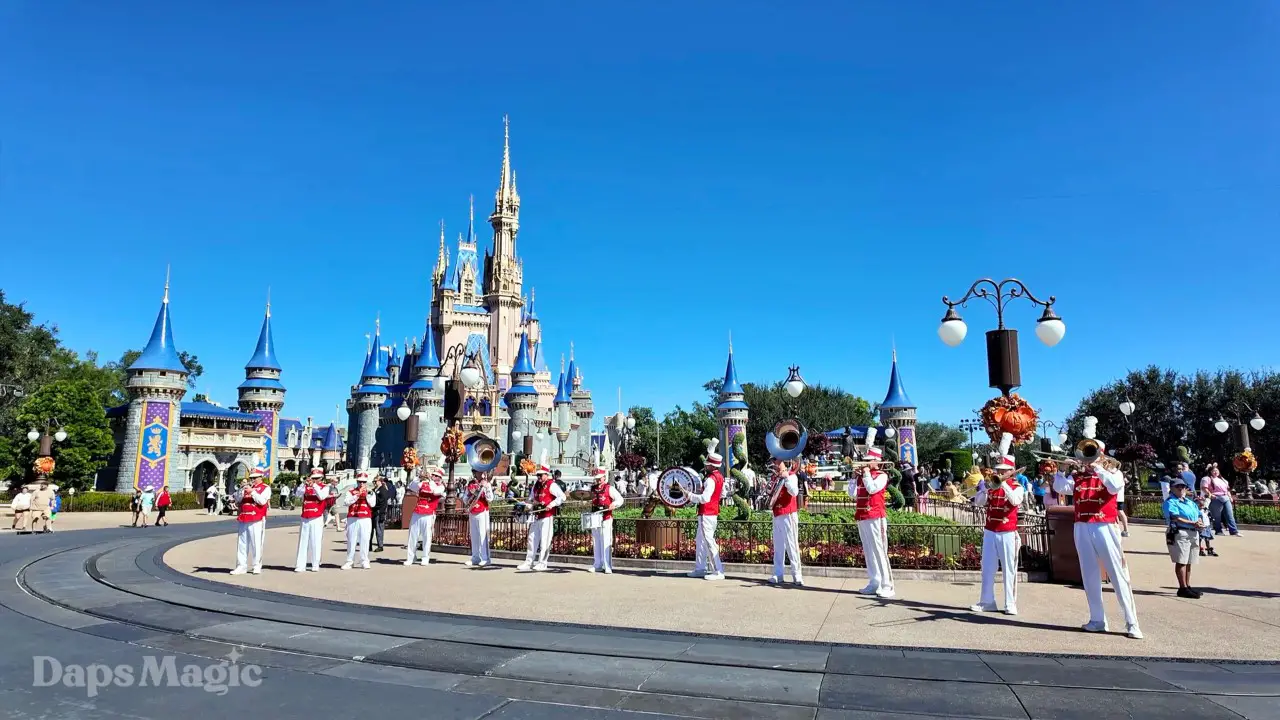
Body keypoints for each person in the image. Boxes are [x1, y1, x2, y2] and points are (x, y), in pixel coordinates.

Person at [1053, 448, 1142, 639]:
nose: (1087, 461)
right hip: (1082, 526)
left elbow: (1115, 486)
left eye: (1092, 456)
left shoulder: (1112, 473)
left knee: (1118, 573)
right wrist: (1061, 470)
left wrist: (1099, 468)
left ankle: (1132, 622)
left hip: (1105, 525)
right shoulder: (1078, 477)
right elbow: (1060, 488)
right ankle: (1097, 619)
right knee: (1089, 574)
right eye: (1086, 457)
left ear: (1102, 457)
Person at [971, 454, 1025, 615]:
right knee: (987, 568)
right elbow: (979, 503)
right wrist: (982, 490)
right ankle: (987, 601)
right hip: (990, 530)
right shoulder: (992, 486)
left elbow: (1015, 501)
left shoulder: (1017, 486)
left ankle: (1010, 603)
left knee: (1009, 569)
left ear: (1011, 471)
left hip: (1008, 532)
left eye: (1003, 470)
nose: (999, 473)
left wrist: (1003, 484)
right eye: (998, 470)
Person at [848, 442, 892, 598]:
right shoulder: (862, 476)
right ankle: (874, 582)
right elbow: (851, 494)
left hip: (875, 516)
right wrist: (854, 478)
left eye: (868, 461)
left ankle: (887, 585)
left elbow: (872, 489)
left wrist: (865, 474)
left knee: (880, 551)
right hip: (862, 516)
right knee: (868, 551)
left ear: (876, 461)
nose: (865, 463)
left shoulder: (882, 475)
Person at [518, 458, 565, 572]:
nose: (538, 478)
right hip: (536, 516)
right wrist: (527, 505)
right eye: (537, 476)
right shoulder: (536, 486)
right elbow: (531, 499)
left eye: (541, 475)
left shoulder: (551, 485)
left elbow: (562, 497)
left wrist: (552, 504)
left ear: (546, 474)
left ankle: (542, 563)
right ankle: (529, 562)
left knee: (545, 540)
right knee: (531, 539)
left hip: (547, 516)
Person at [686, 448, 726, 580]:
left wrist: (690, 495)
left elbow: (705, 498)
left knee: (708, 542)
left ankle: (718, 571)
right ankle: (700, 568)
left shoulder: (710, 479)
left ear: (711, 465)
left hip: (706, 513)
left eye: (707, 463)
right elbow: (723, 494)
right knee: (701, 541)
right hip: (712, 512)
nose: (705, 465)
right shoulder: (720, 477)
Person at [1162, 478, 1204, 598]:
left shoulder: (1189, 502)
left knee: (1190, 560)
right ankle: (1182, 587)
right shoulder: (1171, 502)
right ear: (1172, 489)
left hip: (1193, 532)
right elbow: (1175, 518)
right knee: (1181, 561)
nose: (1181, 489)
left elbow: (1199, 514)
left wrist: (1199, 522)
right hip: (1179, 532)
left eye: (1183, 486)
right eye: (1177, 487)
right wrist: (1193, 523)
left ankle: (1187, 585)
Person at [767, 457, 804, 587]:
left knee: (792, 545)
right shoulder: (774, 477)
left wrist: (786, 477)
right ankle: (778, 573)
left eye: (776, 462)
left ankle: (797, 574)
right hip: (777, 514)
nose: (774, 465)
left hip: (788, 514)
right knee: (778, 546)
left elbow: (793, 491)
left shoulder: (792, 476)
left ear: (783, 463)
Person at [231, 468, 272, 575]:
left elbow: (262, 501)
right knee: (242, 543)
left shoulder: (265, 488)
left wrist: (252, 492)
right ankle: (241, 566)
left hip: (257, 518)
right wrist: (241, 491)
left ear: (260, 477)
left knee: (256, 543)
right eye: (251, 478)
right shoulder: (247, 487)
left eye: (254, 478)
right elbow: (238, 500)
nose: (252, 480)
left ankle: (256, 566)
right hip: (244, 517)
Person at [404, 466, 445, 567]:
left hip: (429, 513)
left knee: (427, 537)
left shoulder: (440, 486)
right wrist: (419, 476)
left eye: (436, 476)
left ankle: (425, 557)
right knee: (412, 536)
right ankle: (410, 557)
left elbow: (434, 491)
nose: (434, 476)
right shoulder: (424, 483)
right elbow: (412, 486)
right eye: (433, 475)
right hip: (417, 511)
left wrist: (429, 480)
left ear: (440, 478)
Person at [587, 467, 623, 574]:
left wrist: (614, 504)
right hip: (595, 518)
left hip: (606, 517)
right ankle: (597, 563)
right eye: (596, 479)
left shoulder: (609, 488)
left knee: (606, 540)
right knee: (596, 540)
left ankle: (607, 565)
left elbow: (620, 499)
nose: (597, 481)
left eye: (599, 478)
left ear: (604, 478)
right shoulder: (593, 489)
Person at [294, 469, 329, 572]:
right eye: (313, 478)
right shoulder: (306, 487)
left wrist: (314, 486)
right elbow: (297, 494)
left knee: (316, 541)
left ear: (321, 478)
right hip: (305, 516)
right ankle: (300, 565)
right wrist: (303, 484)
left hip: (317, 517)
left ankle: (315, 564)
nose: (313, 480)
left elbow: (322, 496)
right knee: (302, 542)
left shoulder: (324, 487)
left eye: (316, 478)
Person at [339, 473, 376, 569]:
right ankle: (349, 561)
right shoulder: (350, 491)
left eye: (364, 482)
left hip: (365, 518)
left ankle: (365, 560)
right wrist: (357, 496)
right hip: (353, 517)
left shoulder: (370, 492)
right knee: (351, 540)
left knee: (365, 540)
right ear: (357, 482)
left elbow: (372, 504)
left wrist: (367, 494)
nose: (362, 484)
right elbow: (346, 502)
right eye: (360, 482)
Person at [460, 473, 494, 567]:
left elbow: (490, 498)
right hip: (473, 511)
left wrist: (486, 487)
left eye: (478, 471)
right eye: (475, 471)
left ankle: (485, 558)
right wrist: (471, 493)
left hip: (482, 511)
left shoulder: (486, 484)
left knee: (483, 535)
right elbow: (465, 499)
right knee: (474, 535)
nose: (476, 474)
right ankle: (475, 557)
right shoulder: (470, 484)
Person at [1200, 464, 1240, 537]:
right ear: (1210, 472)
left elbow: (1227, 489)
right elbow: (1204, 488)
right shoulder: (1206, 478)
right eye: (1213, 471)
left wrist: (1230, 497)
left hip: (1225, 497)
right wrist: (1211, 495)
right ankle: (1218, 530)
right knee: (1217, 516)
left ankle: (1234, 531)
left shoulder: (1222, 479)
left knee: (1229, 514)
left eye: (1216, 470)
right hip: (1216, 498)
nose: (1215, 472)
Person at [371, 475, 393, 552]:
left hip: (379, 512)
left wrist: (382, 513)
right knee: (371, 529)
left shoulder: (383, 490)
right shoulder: (374, 490)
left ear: (380, 481)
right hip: (373, 511)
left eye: (375, 481)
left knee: (379, 529)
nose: (374, 483)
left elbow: (383, 503)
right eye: (373, 481)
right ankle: (369, 545)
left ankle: (380, 545)